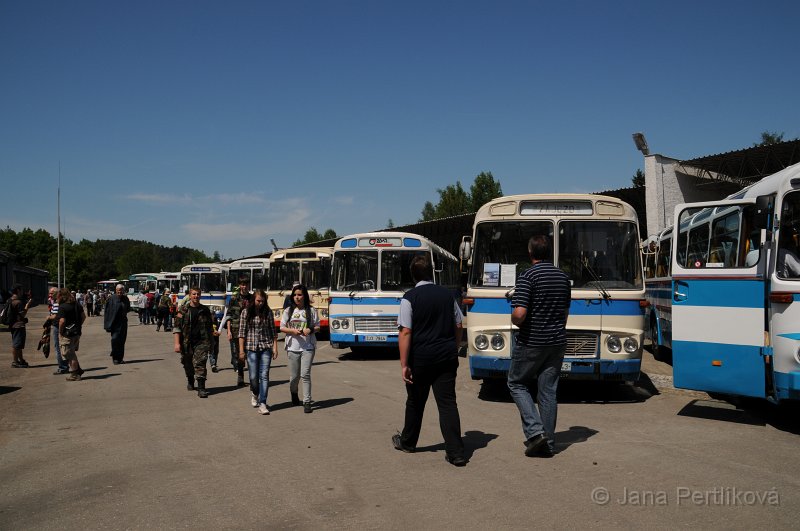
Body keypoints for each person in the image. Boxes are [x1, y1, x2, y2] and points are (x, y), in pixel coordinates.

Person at [392, 255, 467, 467]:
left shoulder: (409, 298)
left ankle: (408, 442)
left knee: (415, 402)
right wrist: (454, 346)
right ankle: (456, 453)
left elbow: (405, 332)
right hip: (446, 358)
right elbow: (459, 323)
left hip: (421, 359)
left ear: (412, 275)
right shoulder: (447, 295)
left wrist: (404, 364)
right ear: (431, 272)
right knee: (447, 403)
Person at [507, 235, 571, 458]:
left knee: (516, 383)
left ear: (530, 252)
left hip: (532, 342)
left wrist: (513, 318)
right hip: (557, 342)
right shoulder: (563, 278)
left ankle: (535, 433)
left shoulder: (528, 276)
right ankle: (549, 444)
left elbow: (520, 314)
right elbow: (564, 314)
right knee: (548, 392)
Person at [280, 284, 320, 413]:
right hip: (292, 347)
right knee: (294, 377)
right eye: (295, 295)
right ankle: (294, 392)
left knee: (305, 374)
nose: (297, 297)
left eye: (300, 295)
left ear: (305, 296)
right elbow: (281, 327)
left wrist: (310, 329)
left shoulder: (312, 311)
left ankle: (307, 401)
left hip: (308, 347)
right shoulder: (288, 311)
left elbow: (318, 326)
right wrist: (292, 331)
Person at [238, 289, 277, 414]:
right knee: (253, 377)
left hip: (266, 347)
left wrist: (275, 347)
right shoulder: (245, 312)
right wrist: (241, 351)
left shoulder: (268, 312)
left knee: (264, 375)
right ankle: (255, 393)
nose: (260, 303)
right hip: (251, 348)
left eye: (262, 301)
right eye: (258, 301)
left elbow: (273, 331)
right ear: (253, 300)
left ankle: (263, 403)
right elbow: (241, 333)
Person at [173, 287, 217, 398]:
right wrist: (177, 343)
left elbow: (210, 328)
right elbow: (177, 328)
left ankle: (201, 388)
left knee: (200, 363)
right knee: (187, 363)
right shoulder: (183, 310)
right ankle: (190, 380)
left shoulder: (205, 310)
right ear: (190, 295)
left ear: (200, 295)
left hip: (202, 342)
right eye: (194, 294)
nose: (196, 296)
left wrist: (212, 342)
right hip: (186, 342)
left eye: (198, 294)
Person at [225, 278, 252, 385]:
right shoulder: (233, 298)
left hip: (250, 330)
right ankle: (240, 376)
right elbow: (229, 315)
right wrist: (228, 331)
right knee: (239, 354)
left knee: (250, 354)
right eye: (242, 284)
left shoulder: (252, 298)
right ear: (239, 285)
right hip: (236, 329)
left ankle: (252, 377)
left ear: (248, 285)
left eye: (246, 284)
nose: (244, 286)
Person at [57, 288, 86, 381]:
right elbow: (83, 317)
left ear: (61, 296)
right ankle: (78, 370)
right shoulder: (77, 304)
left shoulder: (62, 307)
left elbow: (62, 321)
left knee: (70, 355)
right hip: (76, 333)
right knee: (72, 352)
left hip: (67, 334)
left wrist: (60, 332)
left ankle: (75, 374)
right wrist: (78, 325)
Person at [104, 284, 131, 364]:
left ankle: (120, 358)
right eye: (118, 291)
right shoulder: (111, 299)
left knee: (122, 341)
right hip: (114, 323)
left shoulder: (125, 298)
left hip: (123, 323)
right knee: (115, 340)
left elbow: (128, 309)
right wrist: (107, 325)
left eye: (121, 291)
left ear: (123, 291)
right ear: (116, 290)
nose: (120, 292)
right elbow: (107, 313)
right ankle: (115, 357)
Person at [8, 283, 32, 368]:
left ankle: (20, 360)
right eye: (21, 290)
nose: (22, 292)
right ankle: (15, 362)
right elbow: (23, 314)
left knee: (19, 344)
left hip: (13, 324)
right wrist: (27, 306)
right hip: (18, 325)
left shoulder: (10, 300)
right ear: (18, 290)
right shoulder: (18, 302)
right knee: (16, 344)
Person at [47, 286, 69, 374]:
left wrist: (48, 317)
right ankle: (66, 365)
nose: (50, 295)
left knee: (58, 347)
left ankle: (63, 367)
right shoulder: (61, 302)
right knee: (63, 346)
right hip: (61, 326)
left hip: (57, 326)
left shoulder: (57, 303)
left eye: (52, 293)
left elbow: (56, 316)